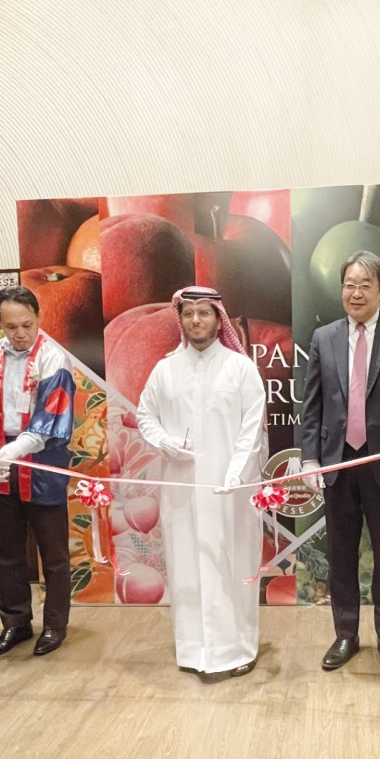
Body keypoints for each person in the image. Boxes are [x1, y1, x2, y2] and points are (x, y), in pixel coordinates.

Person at [300, 250, 380, 674]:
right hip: (337, 465)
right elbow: (313, 405)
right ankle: (345, 634)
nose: (355, 293)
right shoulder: (324, 338)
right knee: (341, 553)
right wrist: (309, 457)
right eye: (348, 285)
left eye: (364, 285)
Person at [135, 286, 268, 676]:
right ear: (180, 319)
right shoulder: (165, 369)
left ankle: (236, 650)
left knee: (229, 564)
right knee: (187, 566)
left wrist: (234, 473)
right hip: (182, 490)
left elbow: (251, 430)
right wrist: (164, 442)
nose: (196, 320)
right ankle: (193, 652)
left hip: (230, 491)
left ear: (218, 318)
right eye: (189, 313)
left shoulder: (240, 368)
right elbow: (146, 416)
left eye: (204, 313)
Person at [0, 285, 76, 657]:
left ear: (39, 318)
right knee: (4, 550)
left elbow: (52, 418)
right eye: (11, 326)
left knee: (54, 552)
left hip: (43, 464)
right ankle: (15, 623)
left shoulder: (54, 359)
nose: (20, 333)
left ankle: (55, 625)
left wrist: (12, 451)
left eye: (27, 324)